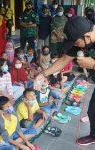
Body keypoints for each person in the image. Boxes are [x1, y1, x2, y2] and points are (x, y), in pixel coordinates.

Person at [33, 16, 95, 146]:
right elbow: (64, 60)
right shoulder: (81, 39)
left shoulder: (85, 38)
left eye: (76, 43)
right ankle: (94, 135)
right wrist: (42, 74)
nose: (75, 45)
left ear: (87, 36)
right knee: (92, 111)